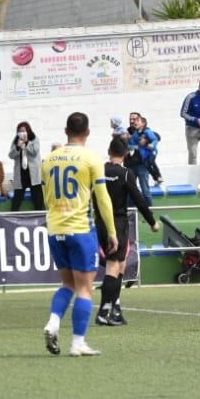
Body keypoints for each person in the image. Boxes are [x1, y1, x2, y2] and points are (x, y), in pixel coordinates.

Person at [41, 112, 118, 357]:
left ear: (66, 132)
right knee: (85, 288)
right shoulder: (92, 159)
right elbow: (103, 198)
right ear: (87, 132)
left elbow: (46, 197)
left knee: (67, 284)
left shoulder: (49, 160)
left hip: (55, 229)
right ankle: (77, 343)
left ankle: (54, 321)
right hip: (81, 229)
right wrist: (112, 231)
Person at [94, 136, 158, 327]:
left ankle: (116, 308)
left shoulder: (99, 171)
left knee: (120, 265)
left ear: (108, 151)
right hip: (118, 222)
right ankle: (103, 311)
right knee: (114, 266)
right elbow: (139, 199)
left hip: (101, 222)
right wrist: (152, 221)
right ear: (126, 154)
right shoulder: (126, 173)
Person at [126, 113, 163, 198]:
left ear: (142, 123)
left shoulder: (147, 131)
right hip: (136, 161)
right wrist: (129, 143)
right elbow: (131, 144)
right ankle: (156, 177)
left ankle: (158, 176)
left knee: (151, 162)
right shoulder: (131, 132)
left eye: (135, 119)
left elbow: (156, 138)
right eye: (131, 119)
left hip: (149, 153)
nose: (133, 121)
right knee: (132, 189)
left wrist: (149, 144)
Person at [8, 121, 44, 210]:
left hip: (33, 173)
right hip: (21, 173)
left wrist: (27, 142)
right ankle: (13, 217)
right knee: (17, 199)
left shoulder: (34, 138)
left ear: (28, 130)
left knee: (37, 198)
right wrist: (17, 147)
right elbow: (11, 155)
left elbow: (35, 151)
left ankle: (39, 217)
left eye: (24, 130)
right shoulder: (16, 140)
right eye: (19, 131)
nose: (22, 133)